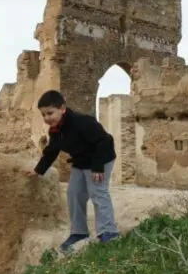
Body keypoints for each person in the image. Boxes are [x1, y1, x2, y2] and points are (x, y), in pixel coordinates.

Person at [26, 89, 120, 252]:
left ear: (62, 108)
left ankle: (108, 232)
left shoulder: (82, 122)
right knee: (74, 194)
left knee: (98, 192)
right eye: (44, 115)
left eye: (50, 113)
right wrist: (38, 170)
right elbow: (51, 151)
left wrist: (98, 167)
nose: (47, 118)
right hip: (81, 162)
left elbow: (104, 141)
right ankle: (79, 232)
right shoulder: (56, 130)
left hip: (101, 158)